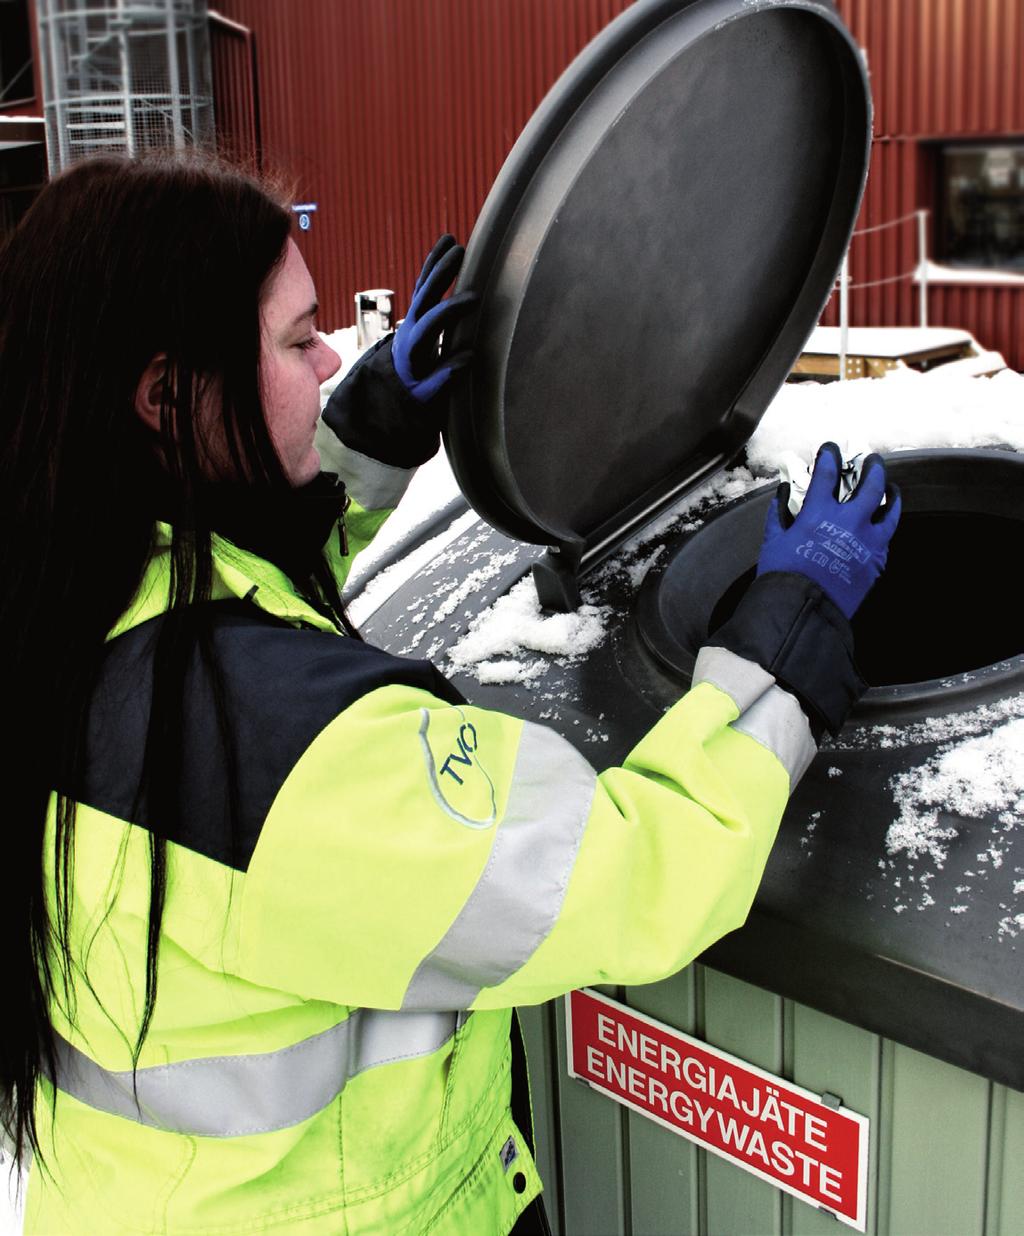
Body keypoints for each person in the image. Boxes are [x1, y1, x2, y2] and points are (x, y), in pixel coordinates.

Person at [0, 153, 900, 1236]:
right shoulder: (287, 757)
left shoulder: (59, 593)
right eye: (296, 341)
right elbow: (629, 875)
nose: (333, 353)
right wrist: (782, 645)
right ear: (166, 396)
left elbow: (237, 583)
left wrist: (361, 435)